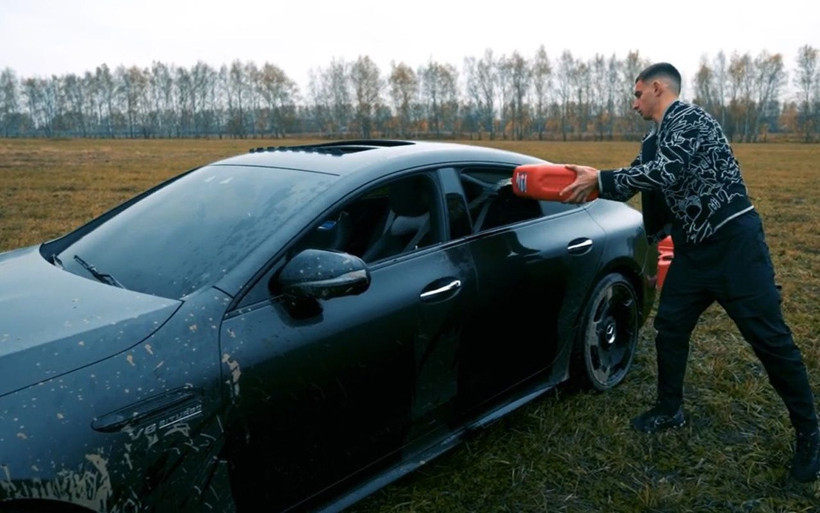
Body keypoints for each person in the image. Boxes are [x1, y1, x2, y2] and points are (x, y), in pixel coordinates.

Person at [560, 62, 820, 482]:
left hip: (735, 246)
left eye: (637, 94)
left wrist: (603, 178)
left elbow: (668, 172)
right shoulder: (653, 139)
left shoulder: (691, 120)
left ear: (657, 88)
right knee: (670, 326)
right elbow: (634, 182)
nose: (634, 103)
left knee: (770, 339)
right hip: (693, 254)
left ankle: (810, 433)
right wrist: (580, 187)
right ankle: (670, 409)